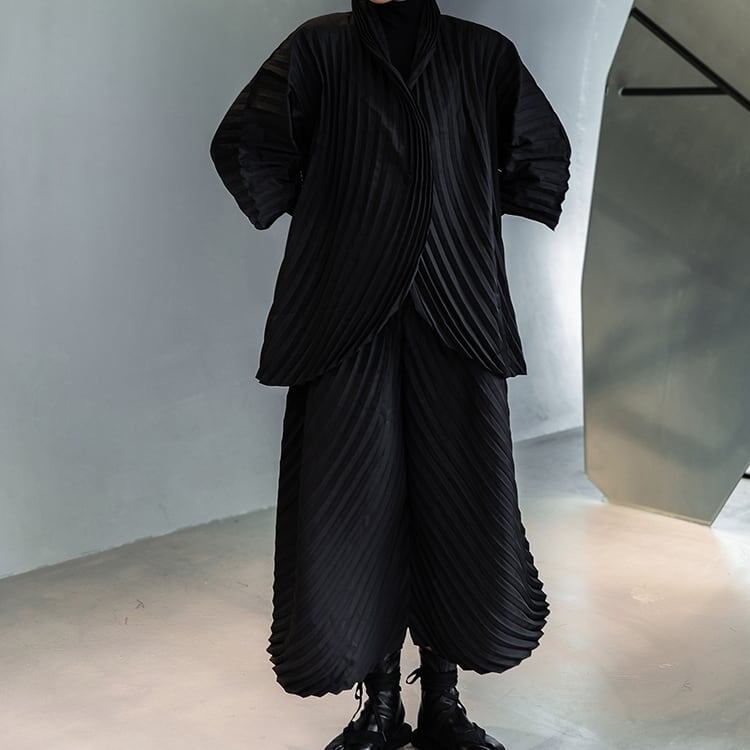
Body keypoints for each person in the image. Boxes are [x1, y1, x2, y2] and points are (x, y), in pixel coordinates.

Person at [209, 1, 572, 748]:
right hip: (344, 315)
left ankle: (443, 702)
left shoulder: (482, 55)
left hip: (457, 307)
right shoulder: (319, 49)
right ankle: (378, 705)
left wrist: (459, 207)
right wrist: (339, 213)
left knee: (460, 506)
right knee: (351, 505)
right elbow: (246, 143)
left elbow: (540, 152)